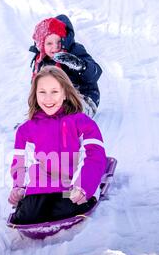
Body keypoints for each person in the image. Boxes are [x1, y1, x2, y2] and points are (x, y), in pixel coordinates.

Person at [8, 66, 107, 225]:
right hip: (40, 188)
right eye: (42, 92)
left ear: (65, 93)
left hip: (70, 189)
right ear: (35, 95)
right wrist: (18, 187)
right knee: (28, 216)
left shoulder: (81, 122)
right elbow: (21, 161)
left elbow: (94, 156)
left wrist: (83, 186)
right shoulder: (26, 130)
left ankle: (77, 199)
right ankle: (31, 205)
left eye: (54, 92)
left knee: (66, 207)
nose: (48, 98)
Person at [29, 14, 102, 118]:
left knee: (70, 111)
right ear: (42, 45)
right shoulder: (41, 61)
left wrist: (79, 65)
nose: (55, 47)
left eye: (59, 42)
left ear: (64, 40)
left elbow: (95, 73)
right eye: (49, 43)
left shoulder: (74, 50)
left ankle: (67, 125)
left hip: (83, 97)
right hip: (57, 99)